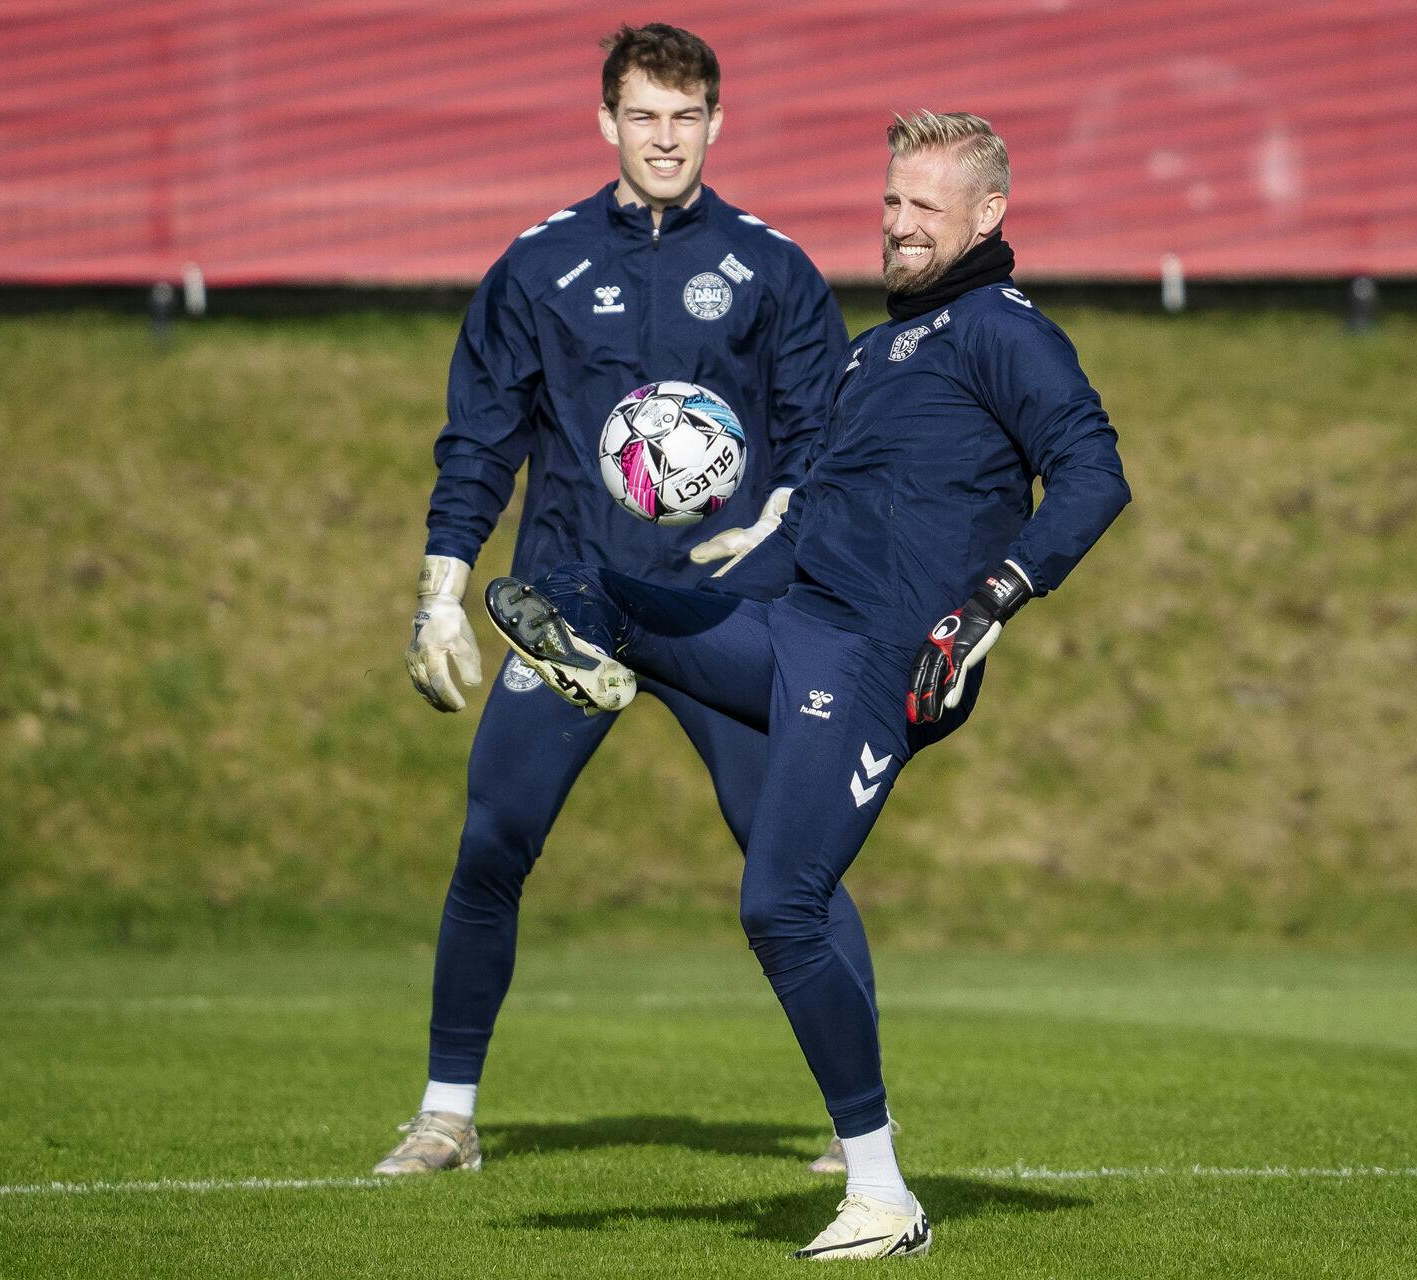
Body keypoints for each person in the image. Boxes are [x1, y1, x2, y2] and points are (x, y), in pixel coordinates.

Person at [481, 111, 1131, 1261]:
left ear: (988, 213)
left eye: (923, 205)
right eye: (890, 201)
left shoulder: (1003, 330)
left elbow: (1094, 473)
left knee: (779, 904)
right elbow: (815, 526)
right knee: (595, 583)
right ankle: (597, 651)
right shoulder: (873, 353)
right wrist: (720, 579)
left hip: (882, 659)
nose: (897, 223)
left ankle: (882, 1194)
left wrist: (991, 600)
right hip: (796, 627)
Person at [382, 23, 873, 1177]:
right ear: (606, 120)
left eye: (685, 116)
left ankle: (863, 1130)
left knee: (794, 859)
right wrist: (440, 589)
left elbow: (826, 438)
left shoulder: (773, 269)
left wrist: (778, 518)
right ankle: (447, 1116)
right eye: (644, 115)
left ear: (717, 123)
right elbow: (478, 441)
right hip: (572, 609)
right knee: (494, 839)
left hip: (727, 611)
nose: (665, 137)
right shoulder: (537, 265)